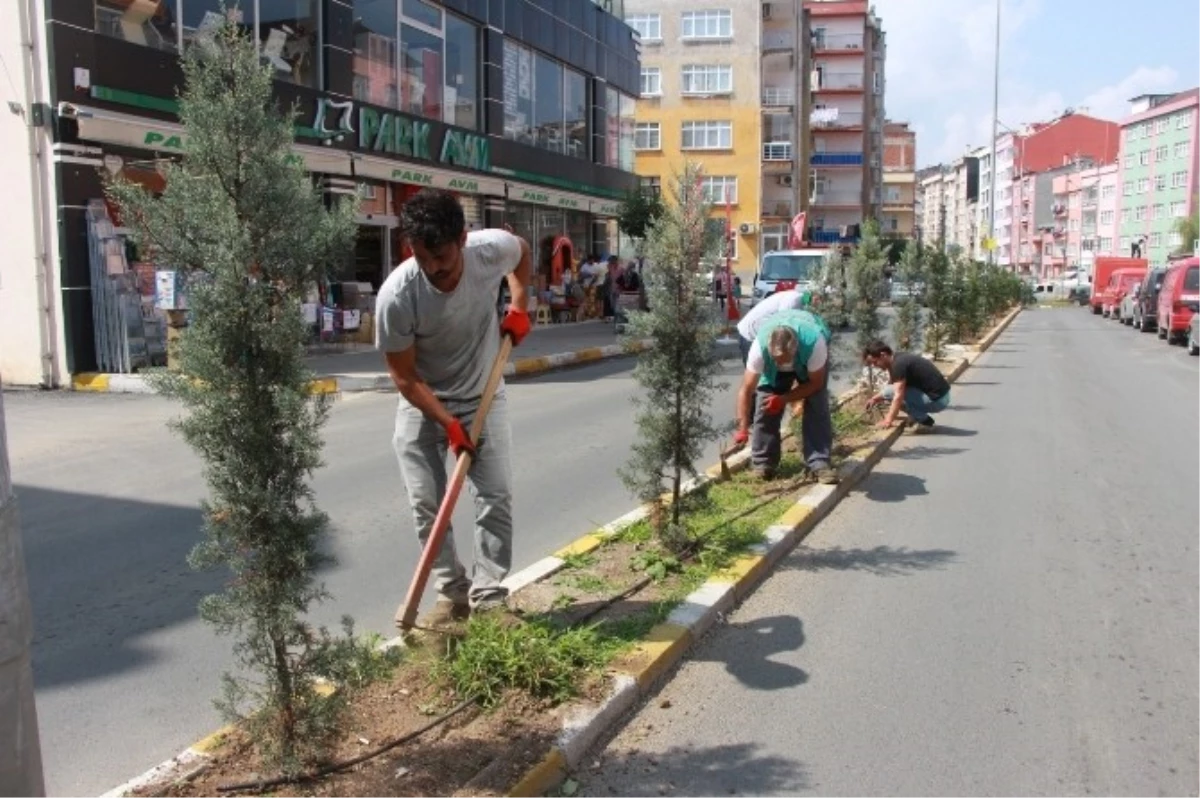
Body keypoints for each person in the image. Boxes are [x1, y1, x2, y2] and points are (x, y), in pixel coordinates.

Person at [375, 189, 533, 626]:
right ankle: (451, 593)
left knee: (495, 495)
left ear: (462, 239)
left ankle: (490, 596)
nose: (434, 269)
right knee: (426, 502)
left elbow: (522, 252)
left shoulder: (488, 251)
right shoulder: (397, 297)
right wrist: (445, 421)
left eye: (441, 257)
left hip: (485, 392)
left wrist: (520, 303)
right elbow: (404, 377)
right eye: (423, 258)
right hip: (424, 401)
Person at [733, 309, 839, 484]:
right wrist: (743, 429)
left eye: (783, 359)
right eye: (775, 359)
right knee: (764, 405)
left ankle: (819, 463)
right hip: (776, 366)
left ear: (794, 349)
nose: (779, 363)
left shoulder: (814, 343)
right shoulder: (760, 348)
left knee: (816, 405)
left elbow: (815, 384)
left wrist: (783, 399)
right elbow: (746, 389)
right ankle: (763, 463)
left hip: (809, 366)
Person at [862, 340, 951, 432]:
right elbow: (893, 384)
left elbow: (897, 395)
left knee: (891, 393)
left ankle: (925, 422)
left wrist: (888, 420)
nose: (875, 366)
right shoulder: (898, 358)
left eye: (875, 362)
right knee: (890, 392)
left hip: (937, 401)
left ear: (883, 355)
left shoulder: (898, 365)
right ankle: (919, 417)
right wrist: (875, 399)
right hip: (942, 397)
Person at [734, 289, 815, 365]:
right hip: (750, 334)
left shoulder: (801, 303)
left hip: (761, 334)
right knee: (757, 373)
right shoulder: (793, 300)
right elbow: (784, 327)